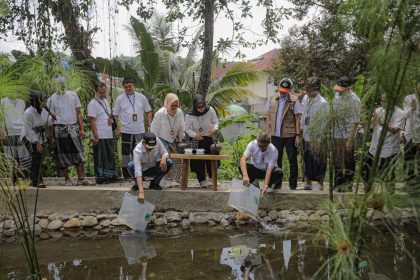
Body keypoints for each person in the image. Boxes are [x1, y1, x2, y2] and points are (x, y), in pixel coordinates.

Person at [47, 76, 89, 186]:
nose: (62, 85)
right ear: (55, 85)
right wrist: (51, 136)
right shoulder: (51, 99)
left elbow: (79, 113)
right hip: (59, 128)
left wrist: (82, 129)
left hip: (73, 127)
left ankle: (81, 178)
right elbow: (50, 119)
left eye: (63, 83)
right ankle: (67, 179)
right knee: (62, 155)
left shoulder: (73, 95)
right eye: (59, 84)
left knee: (78, 153)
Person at [363, 94, 405, 192]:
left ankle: (389, 194)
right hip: (375, 145)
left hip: (390, 147)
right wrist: (367, 119)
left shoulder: (400, 113)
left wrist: (382, 122)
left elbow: (395, 130)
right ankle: (368, 189)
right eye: (382, 101)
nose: (383, 103)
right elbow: (372, 127)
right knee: (366, 168)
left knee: (386, 172)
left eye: (385, 101)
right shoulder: (379, 110)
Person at [266, 78, 302, 190]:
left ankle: (293, 185)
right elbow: (268, 116)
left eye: (285, 91)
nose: (282, 93)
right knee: (276, 160)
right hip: (275, 135)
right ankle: (277, 184)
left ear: (290, 90)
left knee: (292, 160)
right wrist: (268, 131)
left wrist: (297, 135)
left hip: (290, 135)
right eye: (281, 90)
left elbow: (297, 118)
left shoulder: (294, 100)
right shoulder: (272, 98)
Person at [113, 77, 153, 179]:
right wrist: (117, 128)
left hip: (140, 130)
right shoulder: (120, 98)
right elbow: (115, 115)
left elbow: (148, 111)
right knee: (126, 154)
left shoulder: (141, 97)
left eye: (130, 86)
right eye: (126, 87)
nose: (128, 88)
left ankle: (141, 174)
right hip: (126, 131)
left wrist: (150, 125)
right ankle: (127, 175)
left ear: (133, 85)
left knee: (141, 152)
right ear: (123, 87)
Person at [332, 76, 361, 192]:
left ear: (349, 87)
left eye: (342, 88)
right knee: (337, 160)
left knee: (348, 161)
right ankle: (338, 183)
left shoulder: (355, 100)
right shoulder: (337, 95)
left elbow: (355, 121)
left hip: (347, 135)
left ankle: (348, 184)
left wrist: (350, 139)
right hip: (336, 134)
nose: (339, 90)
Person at [300, 77, 329, 191]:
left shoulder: (323, 103)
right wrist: (301, 131)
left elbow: (325, 123)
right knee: (307, 160)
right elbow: (303, 115)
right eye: (306, 88)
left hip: (318, 138)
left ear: (316, 88)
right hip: (306, 135)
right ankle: (308, 183)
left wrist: (319, 139)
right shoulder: (305, 98)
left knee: (319, 161)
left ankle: (319, 184)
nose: (307, 91)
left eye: (309, 88)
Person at [185, 95, 219, 188]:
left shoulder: (210, 110)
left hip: (208, 137)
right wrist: (194, 135)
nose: (201, 109)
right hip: (196, 139)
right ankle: (201, 180)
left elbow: (216, 121)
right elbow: (187, 128)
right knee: (198, 161)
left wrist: (215, 129)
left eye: (202, 106)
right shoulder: (189, 114)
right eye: (198, 107)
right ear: (195, 106)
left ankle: (212, 178)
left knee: (211, 158)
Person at [87, 82, 118, 184]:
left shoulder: (105, 101)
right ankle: (100, 177)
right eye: (100, 93)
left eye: (104, 92)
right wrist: (96, 136)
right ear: (95, 92)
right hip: (99, 135)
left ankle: (111, 175)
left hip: (108, 134)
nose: (103, 94)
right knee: (100, 157)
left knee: (109, 156)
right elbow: (92, 121)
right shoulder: (92, 104)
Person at [127, 132, 173, 201]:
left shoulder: (157, 140)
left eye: (152, 147)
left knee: (169, 162)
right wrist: (141, 192)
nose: (151, 149)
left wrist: (163, 158)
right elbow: (137, 170)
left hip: (153, 167)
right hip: (142, 171)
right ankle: (138, 185)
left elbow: (165, 152)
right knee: (130, 165)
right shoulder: (137, 150)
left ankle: (155, 183)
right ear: (144, 142)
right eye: (149, 147)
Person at [21, 90, 49, 188]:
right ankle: (36, 181)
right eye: (42, 101)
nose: (44, 103)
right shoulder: (28, 113)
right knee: (35, 158)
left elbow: (45, 122)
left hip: (39, 135)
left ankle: (37, 179)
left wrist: (52, 116)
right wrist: (37, 143)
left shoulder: (44, 110)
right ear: (36, 102)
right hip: (29, 137)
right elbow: (28, 130)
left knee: (39, 158)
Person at [0, 95, 31, 183]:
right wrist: (1, 132)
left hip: (21, 132)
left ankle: (26, 178)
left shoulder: (22, 102)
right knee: (10, 157)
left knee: (24, 156)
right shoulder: (2, 102)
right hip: (8, 133)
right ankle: (13, 179)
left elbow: (25, 117)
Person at [402, 91, 419, 186]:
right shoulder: (408, 98)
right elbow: (405, 115)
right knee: (409, 159)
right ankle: (409, 183)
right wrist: (412, 108)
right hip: (410, 134)